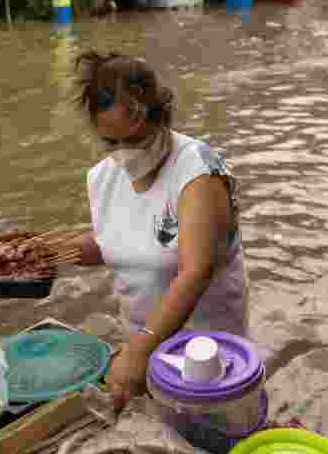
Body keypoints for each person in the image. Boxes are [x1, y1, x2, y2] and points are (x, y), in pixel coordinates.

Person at [70, 52, 250, 413]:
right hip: (143, 345)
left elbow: (195, 270)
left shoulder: (197, 170)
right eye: (111, 142)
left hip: (205, 359)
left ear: (160, 114)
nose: (123, 153)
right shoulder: (104, 177)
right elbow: (119, 242)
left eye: (134, 139)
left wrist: (140, 348)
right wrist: (43, 253)